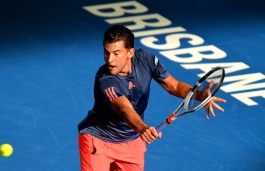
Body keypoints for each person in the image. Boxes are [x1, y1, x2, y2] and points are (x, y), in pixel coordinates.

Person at [77, 25, 226, 171]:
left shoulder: (145, 59)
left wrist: (199, 95)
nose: (110, 59)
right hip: (99, 141)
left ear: (130, 52)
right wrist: (143, 128)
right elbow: (124, 109)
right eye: (106, 52)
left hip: (131, 141)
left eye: (116, 53)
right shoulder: (106, 80)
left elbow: (173, 86)